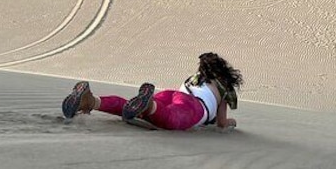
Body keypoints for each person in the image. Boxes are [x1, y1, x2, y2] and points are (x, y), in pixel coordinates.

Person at [61, 52, 243, 130]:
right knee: (172, 119)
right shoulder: (224, 87)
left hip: (171, 94)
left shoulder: (196, 77)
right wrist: (231, 123)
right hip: (194, 106)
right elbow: (221, 123)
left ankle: (91, 101)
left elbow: (180, 94)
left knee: (131, 107)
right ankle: (148, 106)